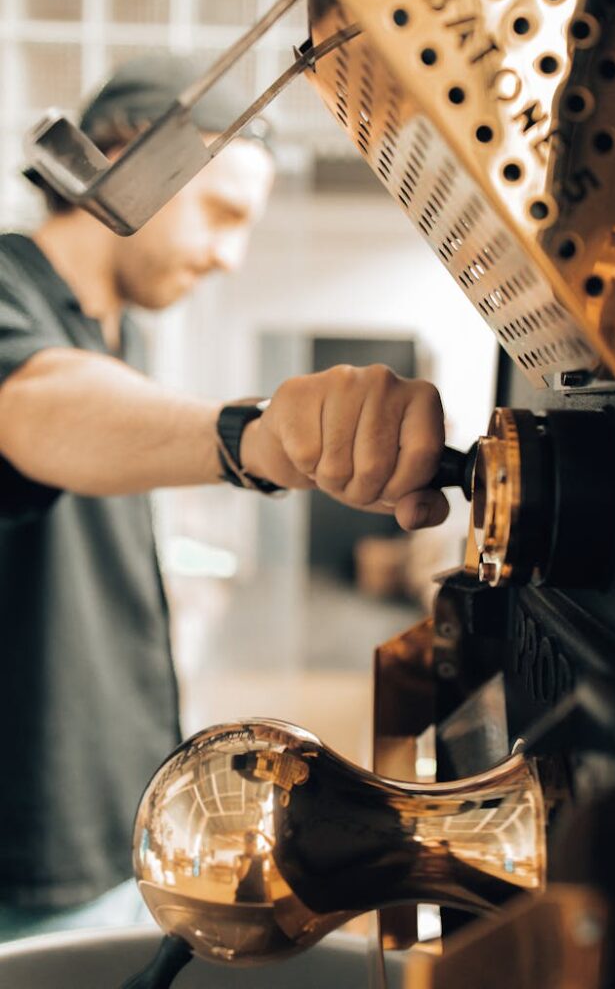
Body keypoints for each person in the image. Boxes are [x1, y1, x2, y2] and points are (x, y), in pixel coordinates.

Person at [0, 54, 448, 940]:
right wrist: (257, 436)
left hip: (113, 817)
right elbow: (35, 407)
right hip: (31, 845)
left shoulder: (113, 333)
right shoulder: (10, 288)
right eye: (221, 213)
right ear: (130, 156)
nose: (229, 256)